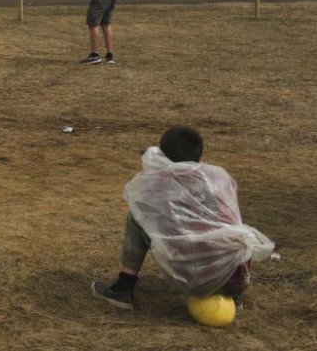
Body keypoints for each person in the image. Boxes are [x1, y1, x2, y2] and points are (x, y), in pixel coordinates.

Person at [91, 125, 275, 311]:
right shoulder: (218, 178)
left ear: (163, 154)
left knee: (138, 216)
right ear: (199, 153)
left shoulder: (157, 184)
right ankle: (234, 296)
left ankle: (124, 287)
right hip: (231, 278)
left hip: (190, 278)